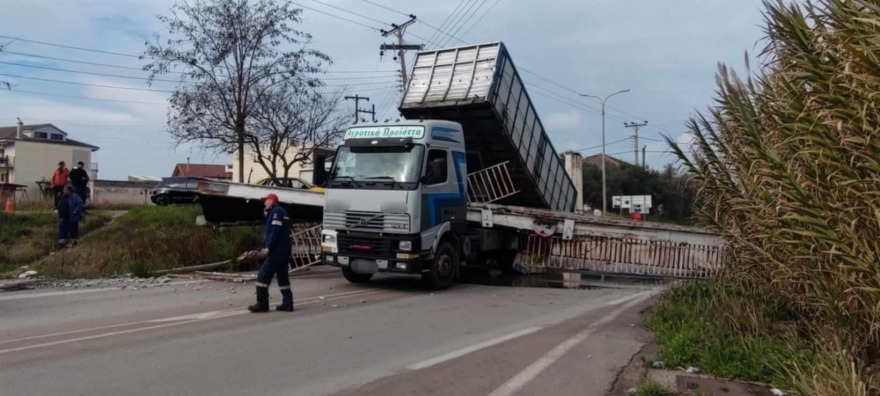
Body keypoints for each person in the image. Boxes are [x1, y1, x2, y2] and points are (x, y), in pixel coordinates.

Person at [248, 193, 293, 313]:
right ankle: (287, 304)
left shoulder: (276, 212)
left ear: (272, 201)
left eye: (266, 200)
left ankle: (262, 304)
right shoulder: (281, 211)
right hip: (284, 250)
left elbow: (275, 231)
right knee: (282, 277)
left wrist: (268, 247)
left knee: (263, 276)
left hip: (276, 250)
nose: (264, 203)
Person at [57, 185, 84, 249]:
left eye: (65, 190)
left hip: (73, 217)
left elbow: (80, 204)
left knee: (73, 230)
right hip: (64, 216)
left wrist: (76, 211)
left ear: (69, 190)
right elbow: (59, 205)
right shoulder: (63, 197)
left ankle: (74, 243)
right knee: (63, 230)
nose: (64, 191)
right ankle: (62, 244)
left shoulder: (75, 196)